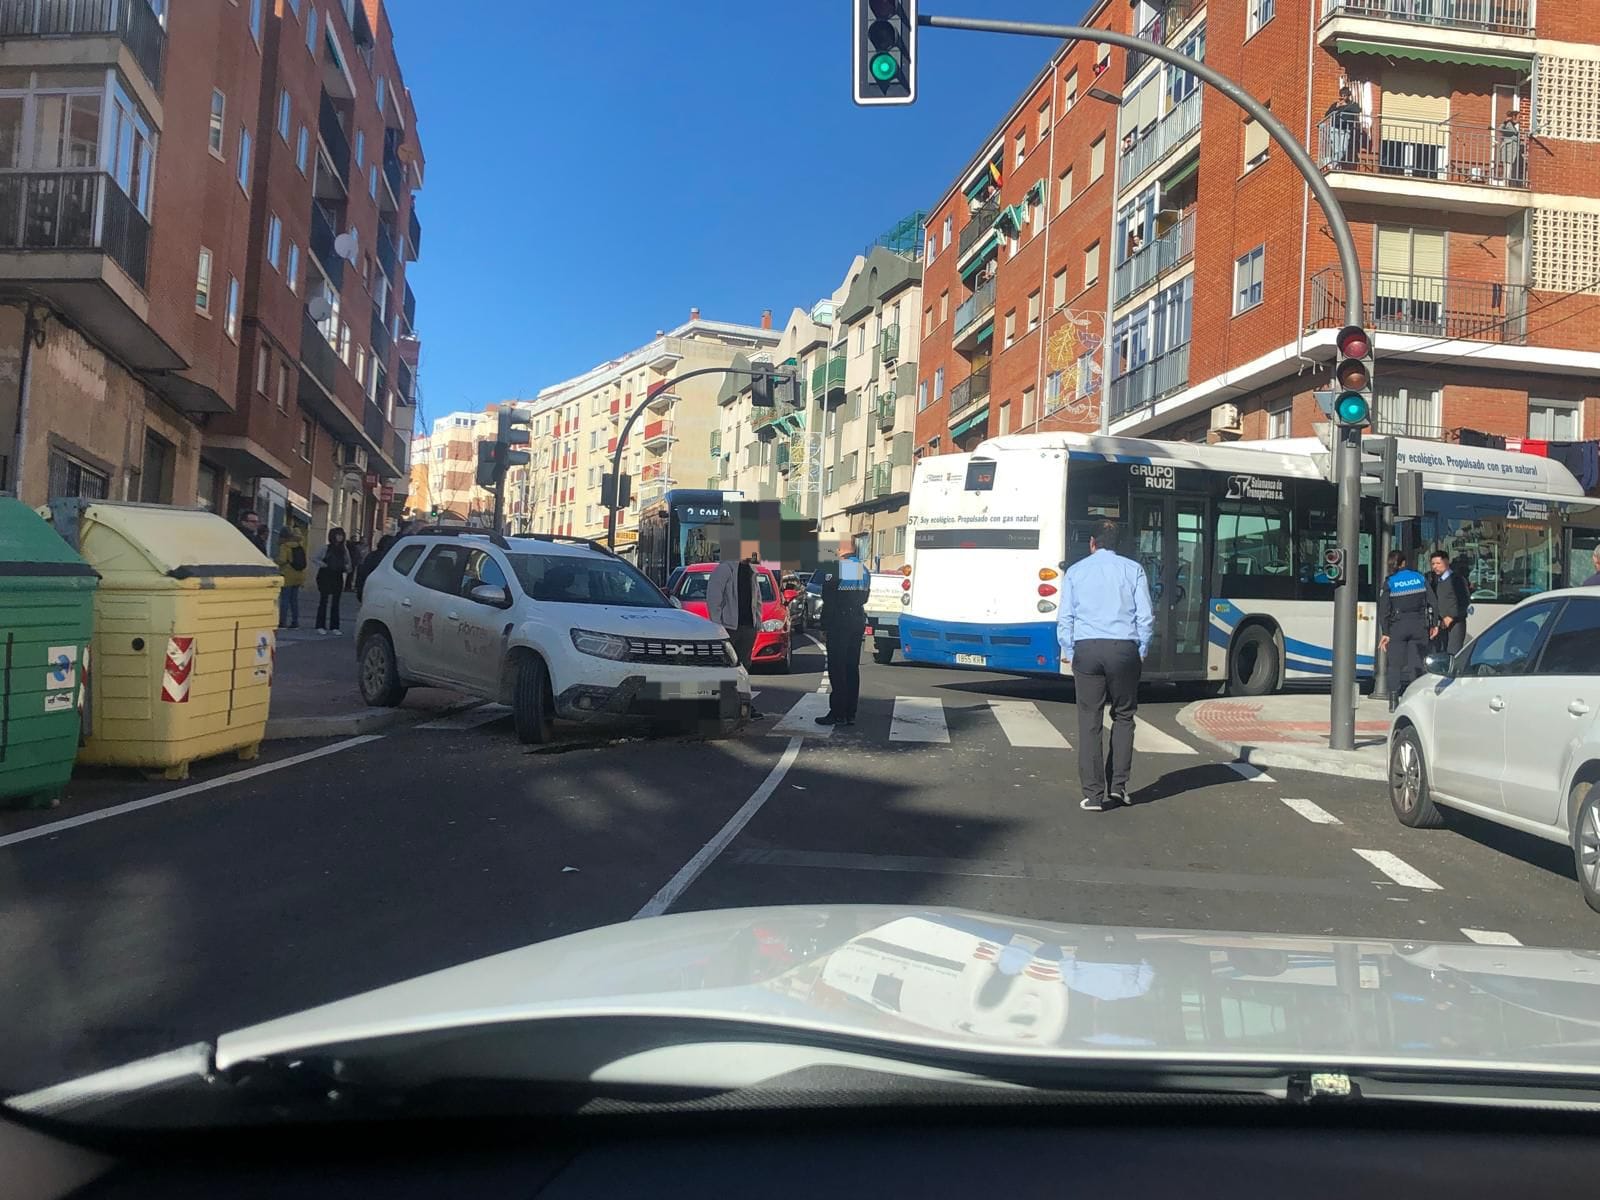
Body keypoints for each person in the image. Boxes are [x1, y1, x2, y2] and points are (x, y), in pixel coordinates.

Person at [1057, 521, 1153, 813]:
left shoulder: (1075, 572)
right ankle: (1119, 787)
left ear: (1092, 542)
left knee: (1090, 720)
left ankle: (1094, 795)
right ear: (1118, 543)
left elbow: (1066, 618)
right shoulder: (1133, 570)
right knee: (1124, 715)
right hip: (1123, 648)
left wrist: (1070, 649)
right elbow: (1145, 616)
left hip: (1087, 648)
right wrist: (1141, 649)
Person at [816, 535, 869, 727]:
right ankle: (850, 713)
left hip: (840, 623)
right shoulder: (863, 569)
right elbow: (865, 597)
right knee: (851, 668)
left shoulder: (838, 569)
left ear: (842, 549)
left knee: (837, 669)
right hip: (857, 620)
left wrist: (824, 626)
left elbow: (829, 600)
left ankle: (837, 713)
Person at [1378, 549, 1433, 713]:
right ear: (1404, 562)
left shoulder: (1390, 582)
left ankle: (1394, 700)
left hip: (1398, 626)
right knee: (1416, 664)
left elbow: (1384, 611)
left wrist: (1386, 632)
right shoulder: (1420, 578)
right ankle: (1414, 698)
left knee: (1395, 665)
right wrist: (1434, 624)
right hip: (1418, 625)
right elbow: (1433, 602)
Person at [1426, 549, 1470, 656]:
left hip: (1455, 623)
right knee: (1440, 652)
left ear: (1446, 562)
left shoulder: (1457, 579)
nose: (1435, 566)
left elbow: (1464, 602)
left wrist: (1450, 617)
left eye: (1438, 563)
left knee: (1452, 653)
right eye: (1433, 564)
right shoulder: (1434, 581)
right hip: (1440, 623)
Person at [314, 527, 350, 636]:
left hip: (337, 576)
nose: (340, 537)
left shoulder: (344, 550)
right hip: (325, 575)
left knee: (336, 602)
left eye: (341, 535)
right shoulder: (326, 548)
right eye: (337, 535)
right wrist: (323, 565)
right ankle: (320, 625)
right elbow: (315, 558)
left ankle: (335, 626)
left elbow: (349, 562)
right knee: (323, 601)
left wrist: (346, 567)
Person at [274, 525, 308, 629]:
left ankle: (282, 622)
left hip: (288, 575)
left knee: (285, 599)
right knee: (294, 600)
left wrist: (275, 561)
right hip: (298, 576)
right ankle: (295, 622)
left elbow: (282, 560)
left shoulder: (285, 546)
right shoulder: (300, 545)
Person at [1324, 86, 1361, 167]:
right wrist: (1336, 107)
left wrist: (1345, 107)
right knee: (1337, 150)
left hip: (1346, 130)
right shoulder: (1336, 104)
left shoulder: (1352, 104)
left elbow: (1358, 110)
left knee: (1343, 150)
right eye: (1342, 95)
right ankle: (1336, 166)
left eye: (1345, 95)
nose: (1343, 97)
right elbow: (1326, 115)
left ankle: (1333, 164)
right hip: (1335, 129)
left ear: (1348, 95)